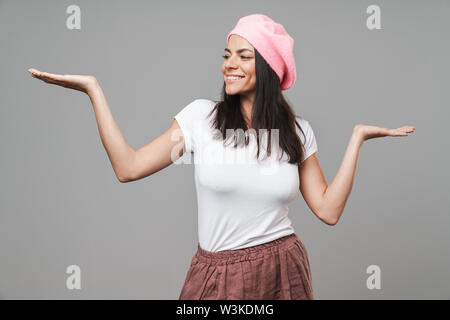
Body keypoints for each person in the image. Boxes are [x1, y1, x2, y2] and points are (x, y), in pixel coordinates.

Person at [27, 13, 415, 300]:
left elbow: (328, 211)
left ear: (267, 67)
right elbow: (128, 167)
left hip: (283, 267)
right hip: (217, 273)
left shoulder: (295, 133)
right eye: (227, 54)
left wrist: (357, 138)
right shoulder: (202, 121)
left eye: (244, 56)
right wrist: (95, 91)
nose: (229, 64)